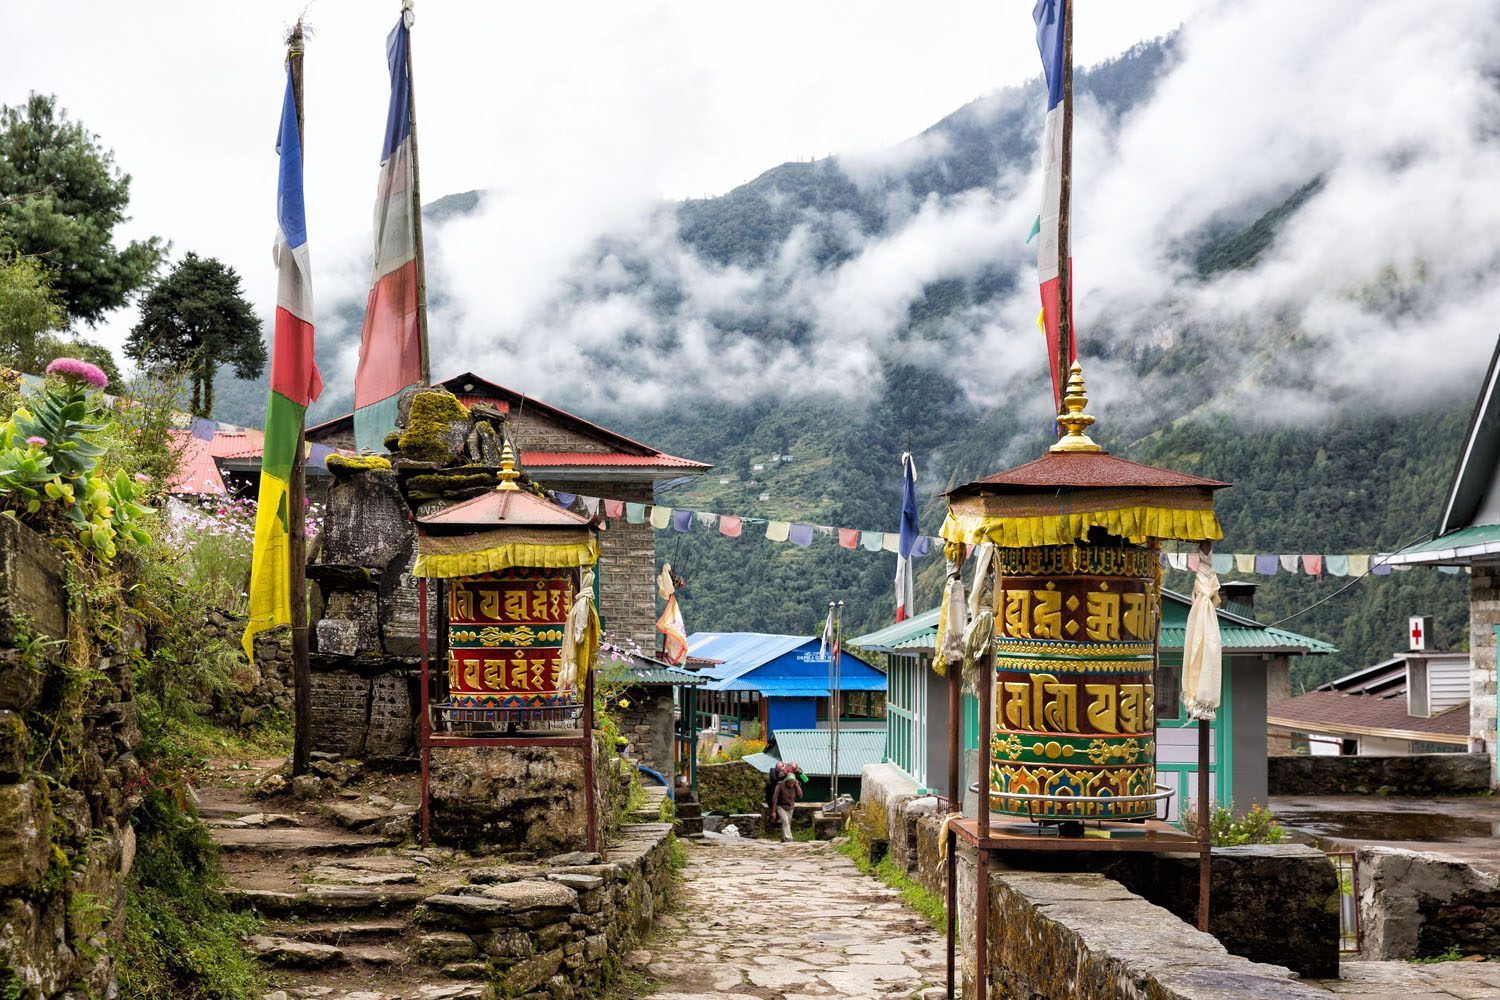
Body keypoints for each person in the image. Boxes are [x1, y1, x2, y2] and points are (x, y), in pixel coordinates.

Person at [772, 772, 801, 842]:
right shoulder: (780, 785)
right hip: (781, 806)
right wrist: (773, 811)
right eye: (790, 782)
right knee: (785, 821)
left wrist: (797, 786)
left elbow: (800, 796)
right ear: (786, 780)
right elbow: (775, 798)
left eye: (793, 783)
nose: (791, 784)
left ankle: (783, 838)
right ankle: (789, 838)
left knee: (787, 823)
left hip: (790, 807)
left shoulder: (795, 785)